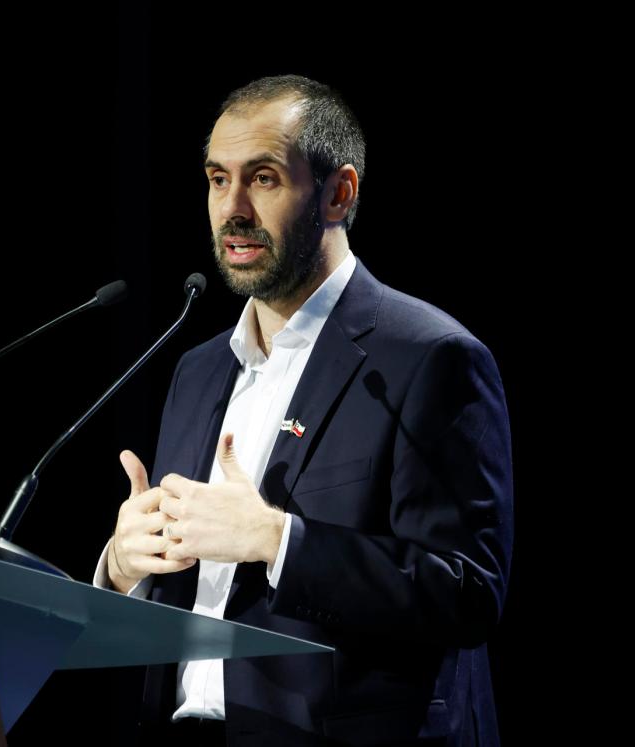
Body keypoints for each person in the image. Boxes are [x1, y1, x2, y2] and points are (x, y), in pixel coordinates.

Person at [92, 74, 513, 746]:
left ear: (338, 193)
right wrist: (124, 563)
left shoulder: (431, 358)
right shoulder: (197, 370)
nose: (231, 208)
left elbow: (466, 592)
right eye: (216, 178)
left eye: (262, 179)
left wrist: (276, 539)